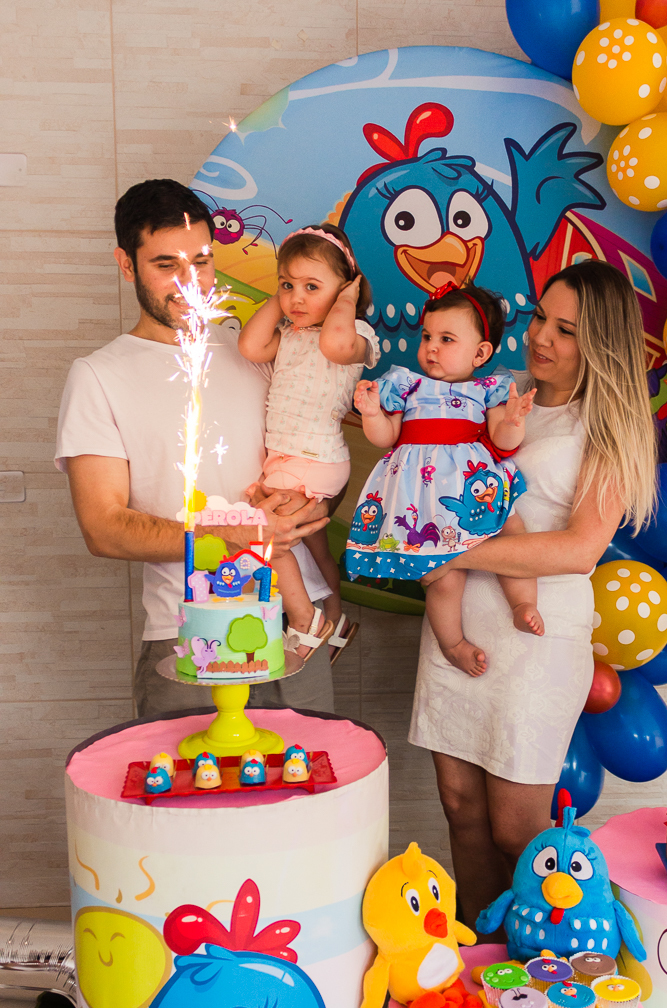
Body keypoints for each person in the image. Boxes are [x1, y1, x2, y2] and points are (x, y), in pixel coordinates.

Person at [408, 261, 658, 931]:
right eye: (540, 317)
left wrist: (454, 552)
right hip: (459, 622)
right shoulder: (499, 393)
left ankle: (550, 964)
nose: (540, 336)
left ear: (599, 343)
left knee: (521, 833)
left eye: (565, 329)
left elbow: (579, 548)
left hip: (537, 637)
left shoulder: (603, 425)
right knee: (459, 808)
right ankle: (483, 962)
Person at [55, 179, 336, 716]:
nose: (190, 282)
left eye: (201, 262)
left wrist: (313, 511)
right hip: (186, 632)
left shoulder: (256, 348)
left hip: (296, 624)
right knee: (193, 794)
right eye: (166, 265)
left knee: (308, 791)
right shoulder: (97, 376)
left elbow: (317, 456)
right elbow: (103, 527)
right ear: (125, 263)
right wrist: (242, 533)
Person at [346, 282, 540, 677]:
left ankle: (523, 603)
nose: (431, 347)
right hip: (426, 497)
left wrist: (514, 420)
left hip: (475, 488)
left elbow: (504, 443)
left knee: (513, 531)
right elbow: (387, 438)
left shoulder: (488, 390)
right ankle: (452, 643)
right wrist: (371, 414)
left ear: (480, 352)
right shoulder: (406, 385)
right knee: (445, 578)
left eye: (447, 339)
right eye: (428, 336)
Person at [238, 224, 377, 662]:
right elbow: (249, 345)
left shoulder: (358, 336)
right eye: (287, 285)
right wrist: (279, 299)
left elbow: (336, 345)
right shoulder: (292, 336)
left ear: (343, 290)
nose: (296, 298)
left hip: (314, 459)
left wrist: (348, 300)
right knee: (316, 550)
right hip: (291, 459)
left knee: (263, 536)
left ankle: (305, 620)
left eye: (311, 287)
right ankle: (335, 618)